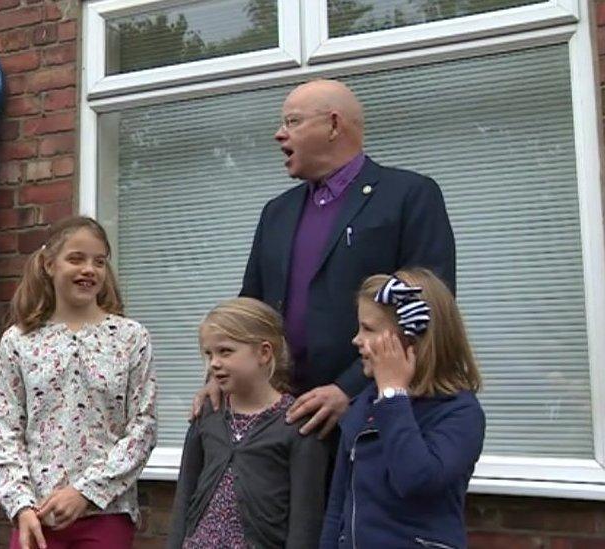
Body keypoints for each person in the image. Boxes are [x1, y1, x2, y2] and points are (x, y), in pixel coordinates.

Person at [192, 78, 456, 439]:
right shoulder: (276, 212)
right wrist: (221, 374)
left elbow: (425, 309)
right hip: (280, 417)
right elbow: (249, 308)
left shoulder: (408, 195)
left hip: (368, 417)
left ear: (334, 124)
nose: (279, 135)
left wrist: (349, 389)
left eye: (292, 121)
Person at [0, 216, 158, 549]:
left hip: (106, 514)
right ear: (49, 264)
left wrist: (85, 492)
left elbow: (143, 428)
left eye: (99, 261)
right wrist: (21, 506)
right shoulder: (18, 341)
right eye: (76, 258)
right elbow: (5, 432)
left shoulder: (130, 338)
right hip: (36, 518)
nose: (89, 270)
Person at [320, 268, 484, 549]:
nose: (356, 340)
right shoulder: (362, 405)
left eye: (369, 329)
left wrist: (393, 395)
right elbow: (338, 507)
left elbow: (416, 480)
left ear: (411, 339)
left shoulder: (459, 413)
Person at [168, 297, 329, 549]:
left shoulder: (297, 424)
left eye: (225, 352)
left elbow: (305, 521)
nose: (214, 363)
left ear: (264, 353)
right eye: (209, 354)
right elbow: (184, 495)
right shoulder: (207, 415)